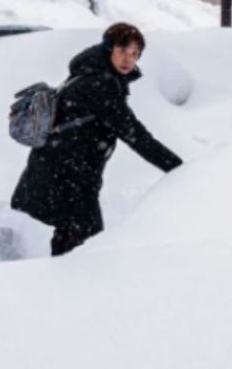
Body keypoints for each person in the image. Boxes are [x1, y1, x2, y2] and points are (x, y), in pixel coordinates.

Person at [11, 22, 183, 257]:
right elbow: (135, 135)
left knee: (74, 239)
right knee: (88, 248)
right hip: (64, 176)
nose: (128, 60)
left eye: (135, 54)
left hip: (64, 173)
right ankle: (68, 287)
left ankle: (59, 284)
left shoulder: (95, 74)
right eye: (123, 51)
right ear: (109, 48)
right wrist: (180, 170)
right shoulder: (99, 84)